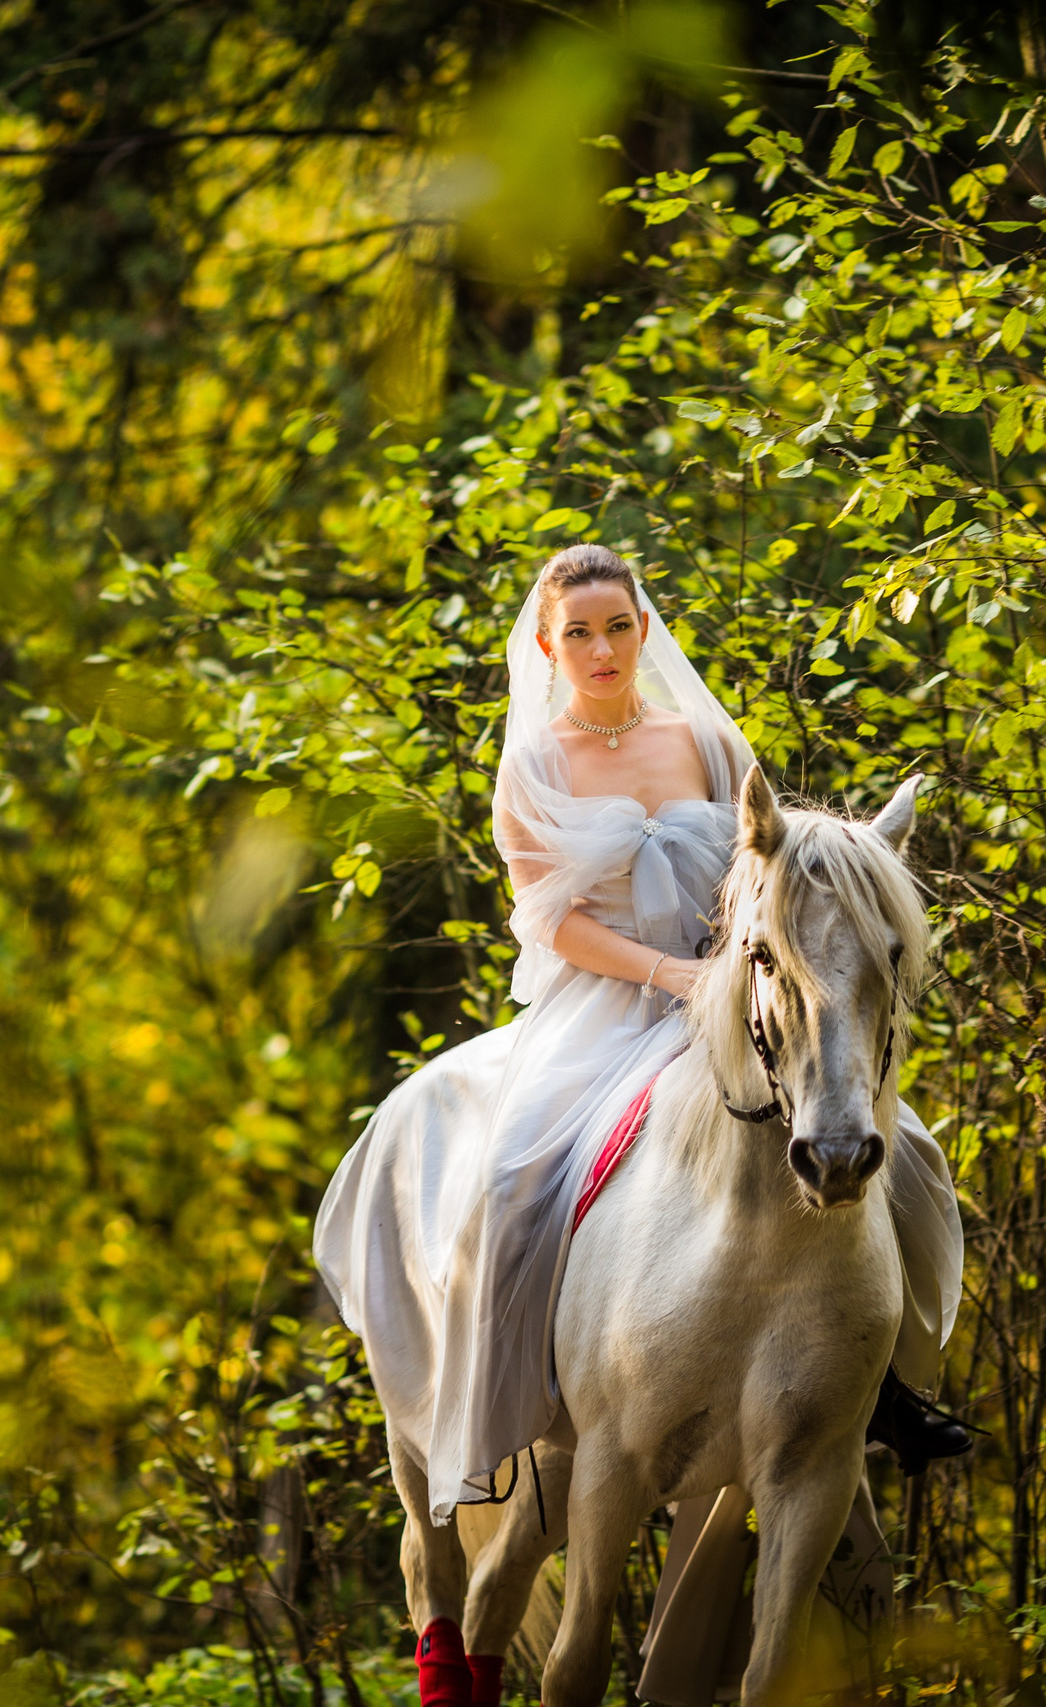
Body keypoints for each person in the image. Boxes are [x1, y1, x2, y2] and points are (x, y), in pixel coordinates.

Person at [313, 544, 968, 1549]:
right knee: (513, 1179)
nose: (602, 647)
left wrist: (743, 976)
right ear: (547, 645)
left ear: (642, 630)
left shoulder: (706, 742)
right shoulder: (531, 769)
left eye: (618, 626)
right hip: (605, 1006)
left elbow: (768, 879)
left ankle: (890, 1387)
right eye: (579, 631)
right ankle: (516, 1398)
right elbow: (553, 925)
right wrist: (671, 978)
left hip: (739, 997)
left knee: (902, 1144)